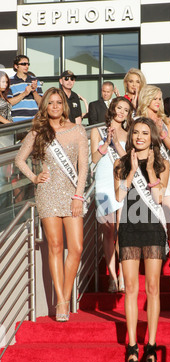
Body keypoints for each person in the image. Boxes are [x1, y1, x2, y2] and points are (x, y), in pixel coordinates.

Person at [15, 87, 89, 322]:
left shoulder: (77, 130)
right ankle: (61, 300)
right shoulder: (38, 132)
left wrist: (78, 196)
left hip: (71, 195)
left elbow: (83, 167)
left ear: (64, 106)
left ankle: (65, 296)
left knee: (76, 247)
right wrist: (35, 177)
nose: (55, 106)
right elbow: (19, 159)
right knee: (55, 246)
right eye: (51, 103)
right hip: (48, 193)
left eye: (59, 102)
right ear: (45, 106)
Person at [114, 117, 170, 362]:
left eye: (145, 133)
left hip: (152, 229)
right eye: (136, 132)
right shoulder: (120, 163)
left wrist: (148, 172)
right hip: (129, 228)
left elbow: (158, 199)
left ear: (152, 137)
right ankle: (133, 346)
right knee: (131, 289)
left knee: (153, 288)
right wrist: (132, 174)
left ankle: (151, 345)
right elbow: (118, 196)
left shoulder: (162, 164)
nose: (139, 137)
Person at [137, 85, 170, 275]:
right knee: (144, 216)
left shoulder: (165, 119)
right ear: (146, 99)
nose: (159, 102)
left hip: (164, 169)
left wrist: (163, 131)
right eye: (155, 98)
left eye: (160, 99)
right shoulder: (137, 120)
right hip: (144, 172)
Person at [90, 96, 133, 292]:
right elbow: (95, 158)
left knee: (123, 231)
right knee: (108, 231)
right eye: (119, 108)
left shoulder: (131, 134)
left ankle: (123, 276)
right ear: (112, 109)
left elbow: (131, 160)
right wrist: (107, 142)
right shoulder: (96, 130)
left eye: (126, 109)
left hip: (122, 183)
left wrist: (117, 142)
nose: (122, 112)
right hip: (104, 183)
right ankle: (112, 277)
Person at [8, 55, 43, 122]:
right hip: (18, 122)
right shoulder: (10, 82)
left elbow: (42, 103)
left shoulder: (35, 80)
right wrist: (24, 93)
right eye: (23, 64)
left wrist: (34, 91)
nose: (27, 66)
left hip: (34, 121)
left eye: (28, 64)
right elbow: (8, 103)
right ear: (16, 66)